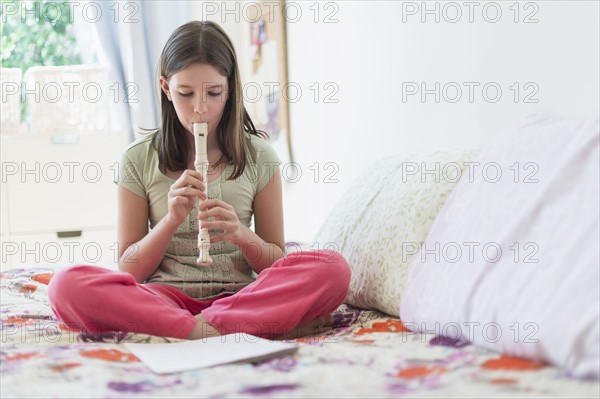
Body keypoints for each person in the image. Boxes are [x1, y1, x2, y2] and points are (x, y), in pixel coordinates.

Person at [48, 21, 350, 340]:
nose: (200, 109)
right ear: (166, 88)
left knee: (332, 268)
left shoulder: (261, 157)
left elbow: (273, 264)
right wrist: (170, 220)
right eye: (186, 93)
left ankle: (203, 328)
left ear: (229, 88)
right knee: (65, 285)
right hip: (164, 299)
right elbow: (129, 269)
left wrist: (241, 234)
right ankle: (215, 330)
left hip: (242, 298)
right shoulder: (137, 160)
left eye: (214, 92)